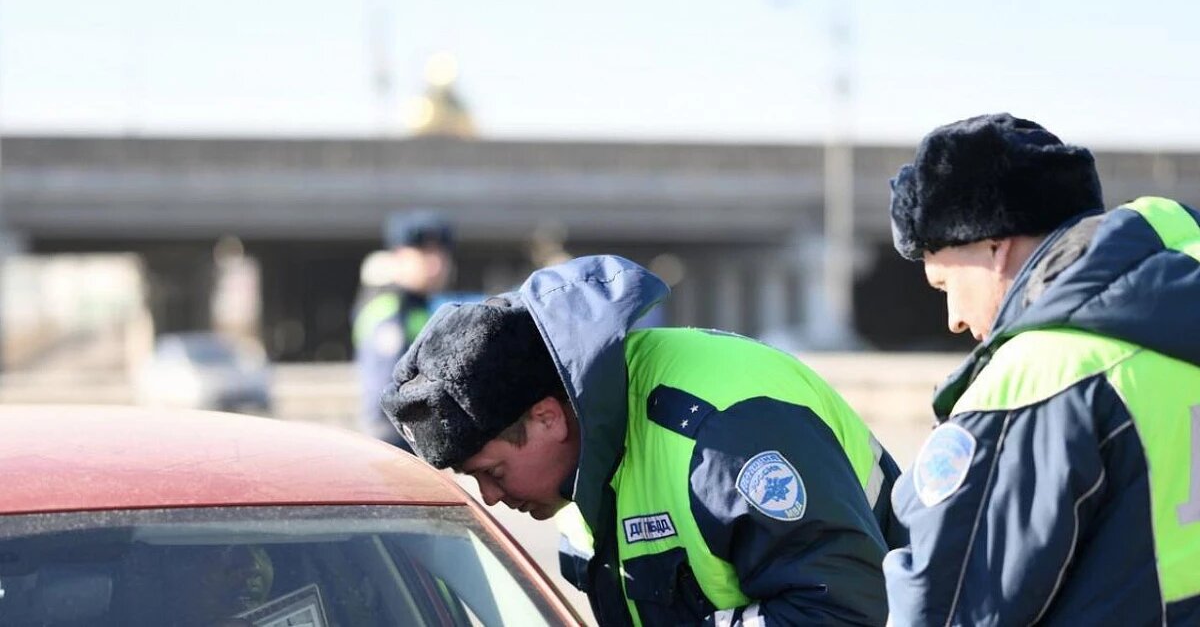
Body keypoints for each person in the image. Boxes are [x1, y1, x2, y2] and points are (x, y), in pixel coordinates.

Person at [381, 254, 906, 626]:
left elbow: (844, 610)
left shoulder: (723, 438)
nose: (491, 497)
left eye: (491, 472)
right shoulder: (575, 471)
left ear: (547, 419)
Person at [883, 113, 1200, 625]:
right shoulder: (1167, 326)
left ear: (994, 246)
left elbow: (948, 607)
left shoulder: (1040, 380)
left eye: (946, 286)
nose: (955, 319)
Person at [352, 210, 454, 449]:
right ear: (398, 257)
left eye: (441, 254)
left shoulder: (422, 306)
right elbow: (385, 394)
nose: (436, 264)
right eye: (424, 254)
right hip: (394, 442)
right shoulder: (388, 309)